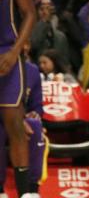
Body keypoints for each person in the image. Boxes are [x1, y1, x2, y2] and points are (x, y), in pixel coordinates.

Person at [0, 0, 39, 198]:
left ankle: (25, 192)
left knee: (14, 123)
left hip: (7, 52)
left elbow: (30, 14)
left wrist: (15, 52)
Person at [0, 53, 46, 198]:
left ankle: (31, 189)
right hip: (4, 119)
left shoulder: (32, 71)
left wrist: (33, 114)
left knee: (34, 125)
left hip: (21, 119)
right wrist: (17, 121)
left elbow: (37, 105)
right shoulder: (2, 66)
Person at [30, 0, 71, 75]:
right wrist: (44, 21)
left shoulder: (60, 37)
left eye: (49, 9)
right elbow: (33, 44)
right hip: (36, 75)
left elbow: (65, 62)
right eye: (42, 9)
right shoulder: (28, 33)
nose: (45, 12)